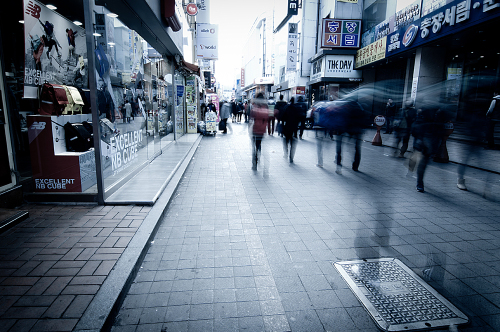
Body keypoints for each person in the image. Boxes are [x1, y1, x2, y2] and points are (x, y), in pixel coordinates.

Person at [335, 98, 365, 174]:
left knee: (339, 146)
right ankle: (355, 166)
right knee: (357, 148)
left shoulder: (346, 108)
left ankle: (338, 161)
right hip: (357, 130)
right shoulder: (360, 108)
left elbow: (341, 119)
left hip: (345, 129)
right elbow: (364, 120)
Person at [250, 93, 269, 170]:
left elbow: (251, 117)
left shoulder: (254, 106)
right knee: (259, 144)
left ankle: (255, 162)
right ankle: (258, 156)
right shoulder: (266, 106)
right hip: (262, 129)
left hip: (255, 129)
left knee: (254, 146)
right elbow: (268, 117)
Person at [282, 97, 301, 163]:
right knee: (293, 143)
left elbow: (283, 117)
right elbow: (299, 118)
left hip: (287, 127)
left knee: (286, 140)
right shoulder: (296, 108)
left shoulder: (287, 107)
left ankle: (286, 152)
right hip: (294, 128)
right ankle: (291, 157)